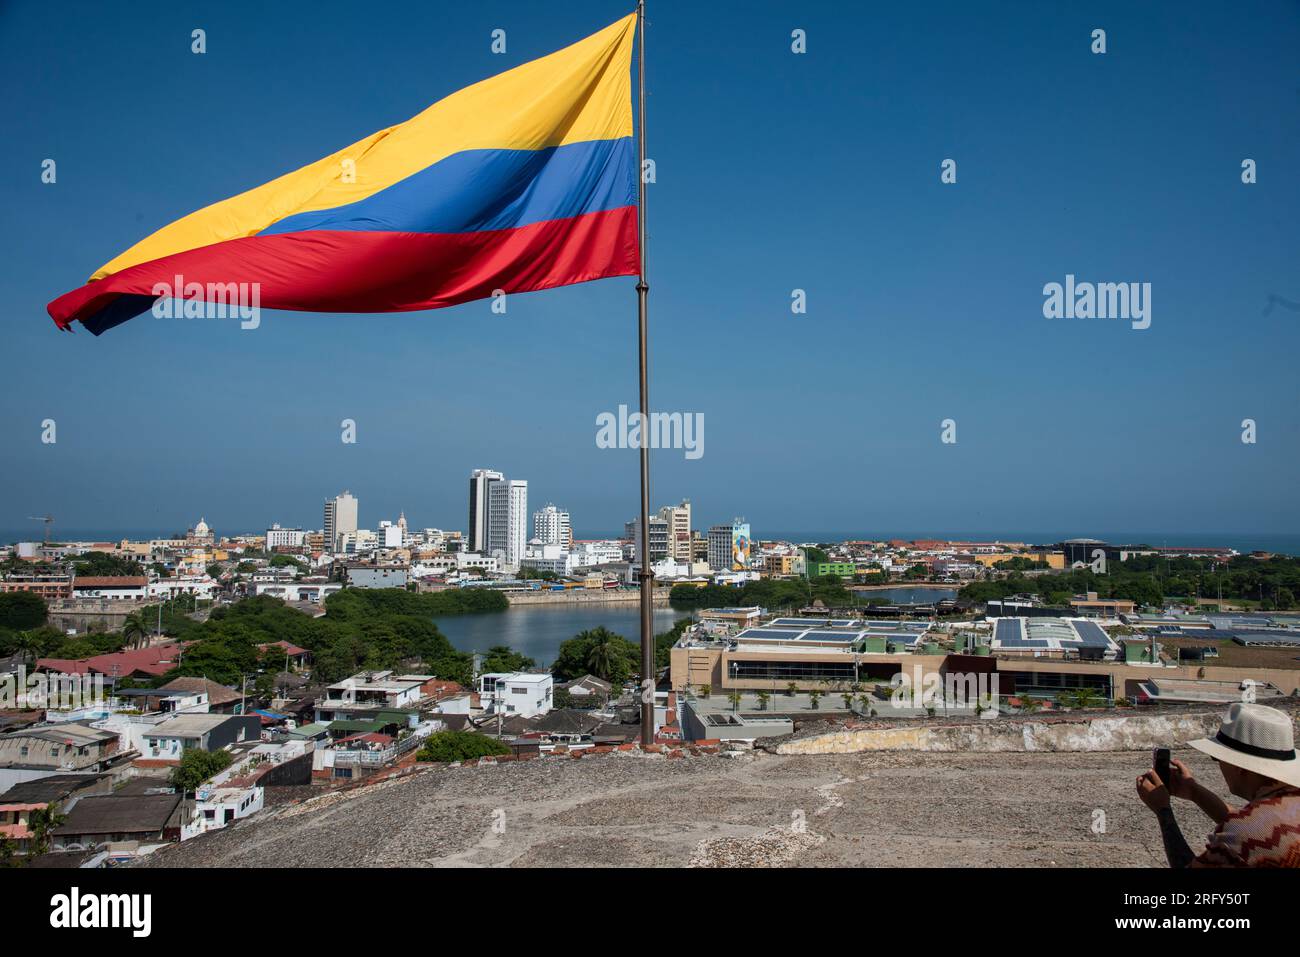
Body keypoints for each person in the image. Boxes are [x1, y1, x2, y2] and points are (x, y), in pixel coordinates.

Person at [1135, 702, 1300, 867]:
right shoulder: (1288, 807)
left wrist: (1163, 810)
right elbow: (1258, 822)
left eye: (1217, 758)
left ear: (1239, 767)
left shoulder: (1244, 838)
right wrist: (1194, 791)